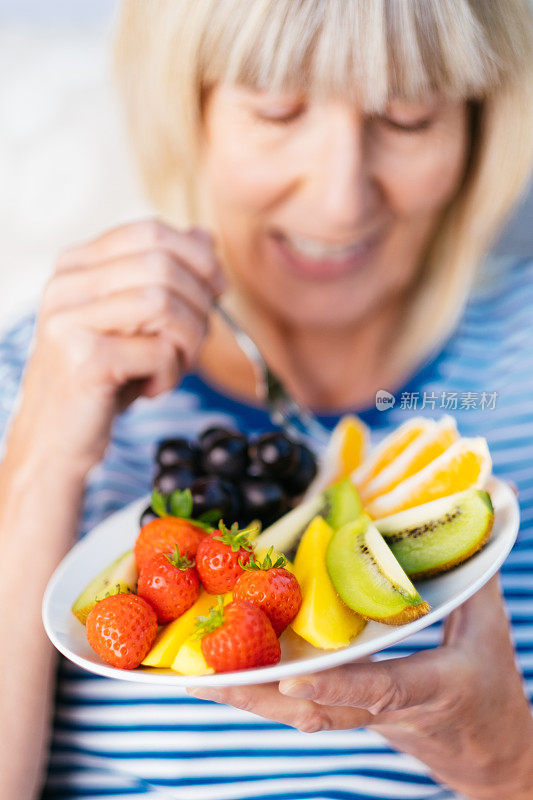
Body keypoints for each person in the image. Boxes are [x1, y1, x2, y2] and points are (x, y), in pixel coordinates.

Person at [1, 0, 533, 798]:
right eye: (277, 110)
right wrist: (41, 461)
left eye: (408, 117)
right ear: (189, 111)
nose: (339, 200)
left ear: (478, 126)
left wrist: (503, 763)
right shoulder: (44, 373)